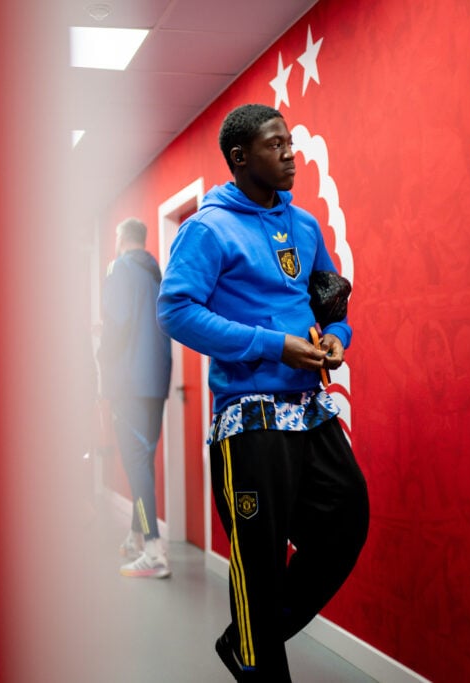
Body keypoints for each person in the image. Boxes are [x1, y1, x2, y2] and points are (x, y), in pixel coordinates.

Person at [157, 104, 369, 680]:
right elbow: (175, 312)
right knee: (259, 564)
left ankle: (246, 642)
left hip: (310, 408)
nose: (289, 155)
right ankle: (258, 660)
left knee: (347, 521)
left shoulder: (304, 225)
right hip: (248, 418)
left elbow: (332, 303)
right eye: (274, 146)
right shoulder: (206, 228)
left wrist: (336, 339)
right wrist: (273, 345)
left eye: (290, 144)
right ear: (240, 157)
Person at [97, 217, 173, 578]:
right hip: (155, 383)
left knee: (136, 466)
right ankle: (135, 535)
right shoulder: (156, 275)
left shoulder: (119, 270)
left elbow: (115, 325)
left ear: (120, 238)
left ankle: (153, 549)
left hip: (128, 382)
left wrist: (102, 364)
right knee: (143, 462)